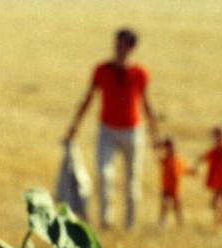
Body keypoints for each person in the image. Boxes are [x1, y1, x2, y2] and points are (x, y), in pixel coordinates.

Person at [63, 28, 159, 230]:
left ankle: (129, 224)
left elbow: (146, 103)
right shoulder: (102, 70)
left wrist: (154, 132)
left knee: (132, 181)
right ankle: (106, 221)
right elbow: (88, 98)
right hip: (107, 130)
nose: (118, 48)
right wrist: (75, 126)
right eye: (117, 43)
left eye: (123, 44)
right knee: (104, 175)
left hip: (132, 131)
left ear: (131, 48)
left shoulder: (139, 73)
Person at [193, 125, 222, 224]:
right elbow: (203, 158)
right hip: (217, 179)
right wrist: (196, 166)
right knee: (216, 200)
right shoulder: (213, 151)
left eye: (221, 137)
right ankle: (218, 218)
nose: (219, 139)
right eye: (217, 137)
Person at [156, 138, 188, 228]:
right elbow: (157, 158)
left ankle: (180, 223)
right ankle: (162, 222)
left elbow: (184, 170)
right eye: (169, 148)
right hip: (165, 188)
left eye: (173, 148)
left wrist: (192, 172)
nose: (171, 150)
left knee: (177, 207)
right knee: (164, 205)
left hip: (176, 189)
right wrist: (158, 147)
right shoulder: (165, 160)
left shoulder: (178, 160)